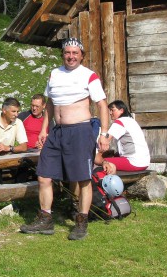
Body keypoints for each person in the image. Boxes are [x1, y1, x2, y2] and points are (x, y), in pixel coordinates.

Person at [20, 38, 110, 241]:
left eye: (75, 53)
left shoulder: (89, 76)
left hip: (80, 131)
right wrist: (45, 130)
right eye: (67, 53)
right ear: (63, 55)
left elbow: (102, 105)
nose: (71, 56)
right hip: (57, 132)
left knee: (83, 179)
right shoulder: (54, 74)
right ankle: (45, 219)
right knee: (43, 175)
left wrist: (104, 134)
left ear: (82, 55)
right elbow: (50, 103)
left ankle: (81, 221)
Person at [94, 100, 150, 174]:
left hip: (134, 162)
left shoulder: (120, 122)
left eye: (112, 110)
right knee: (109, 156)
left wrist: (97, 150)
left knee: (98, 160)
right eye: (109, 110)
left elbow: (106, 139)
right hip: (144, 162)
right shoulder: (131, 121)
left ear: (121, 110)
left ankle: (98, 182)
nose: (110, 113)